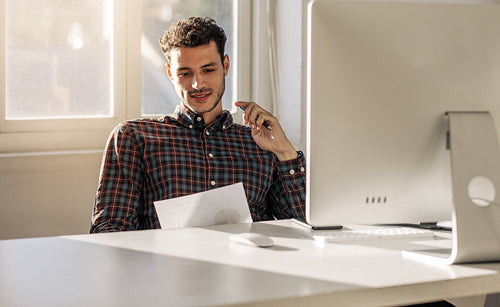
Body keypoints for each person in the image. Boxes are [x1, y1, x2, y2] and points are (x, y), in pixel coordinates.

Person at [90, 17, 305, 233]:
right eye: (185, 73)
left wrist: (285, 152)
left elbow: (308, 227)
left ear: (226, 65)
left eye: (208, 70)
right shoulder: (134, 138)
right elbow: (109, 232)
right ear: (170, 73)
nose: (197, 84)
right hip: (165, 265)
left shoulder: (262, 144)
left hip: (251, 264)